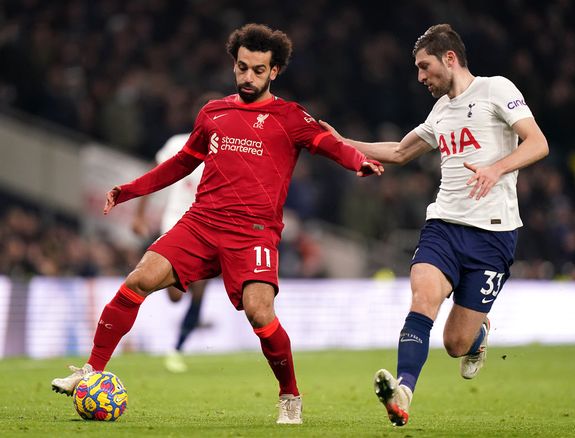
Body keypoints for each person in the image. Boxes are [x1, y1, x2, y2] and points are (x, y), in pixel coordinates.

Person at [51, 23, 383, 425]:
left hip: (254, 233)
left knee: (260, 313)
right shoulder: (214, 112)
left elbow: (328, 144)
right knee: (138, 279)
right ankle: (91, 371)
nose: (248, 77)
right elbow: (179, 164)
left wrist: (357, 161)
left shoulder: (289, 117)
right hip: (201, 224)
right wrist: (131, 190)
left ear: (274, 71)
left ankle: (290, 395)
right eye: (242, 67)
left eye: (258, 70)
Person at [320, 24, 548, 426]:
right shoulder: (441, 110)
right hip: (444, 224)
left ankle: (477, 335)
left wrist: (496, 169)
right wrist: (341, 142)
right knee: (422, 297)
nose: (420, 77)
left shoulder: (497, 89)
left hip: (493, 234)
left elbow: (537, 142)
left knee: (455, 343)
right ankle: (403, 391)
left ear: (449, 58)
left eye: (424, 67)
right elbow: (400, 151)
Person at [131, 116, 211, 373]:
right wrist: (139, 214)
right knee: (175, 295)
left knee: (199, 290)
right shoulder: (178, 143)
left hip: (209, 228)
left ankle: (177, 348)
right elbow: (154, 175)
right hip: (176, 223)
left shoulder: (229, 149)